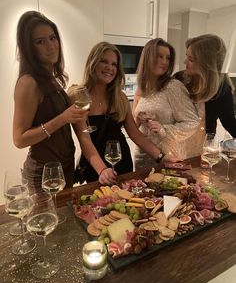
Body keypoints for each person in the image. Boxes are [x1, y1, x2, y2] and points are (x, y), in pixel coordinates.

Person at [13, 11, 116, 192]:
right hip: (43, 173)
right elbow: (19, 139)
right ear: (29, 48)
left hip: (64, 168)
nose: (51, 46)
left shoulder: (53, 79)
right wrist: (62, 118)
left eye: (53, 38)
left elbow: (82, 136)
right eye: (40, 42)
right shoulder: (28, 82)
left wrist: (102, 169)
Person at [68, 41, 167, 183]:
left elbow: (135, 134)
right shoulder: (78, 96)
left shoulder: (120, 97)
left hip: (121, 160)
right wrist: (102, 170)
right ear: (93, 62)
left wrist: (162, 157)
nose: (110, 68)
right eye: (104, 61)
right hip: (95, 164)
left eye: (114, 64)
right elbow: (84, 139)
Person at [132, 38, 201, 169]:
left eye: (168, 58)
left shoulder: (173, 86)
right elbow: (133, 126)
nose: (164, 62)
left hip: (166, 157)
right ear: (147, 57)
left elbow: (192, 122)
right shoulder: (142, 88)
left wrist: (163, 129)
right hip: (141, 155)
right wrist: (139, 119)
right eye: (159, 56)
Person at [174, 34, 236, 137]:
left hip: (204, 148)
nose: (185, 62)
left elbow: (231, 125)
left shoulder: (221, 90)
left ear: (207, 64)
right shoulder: (179, 79)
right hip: (175, 144)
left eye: (191, 60)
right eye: (187, 57)